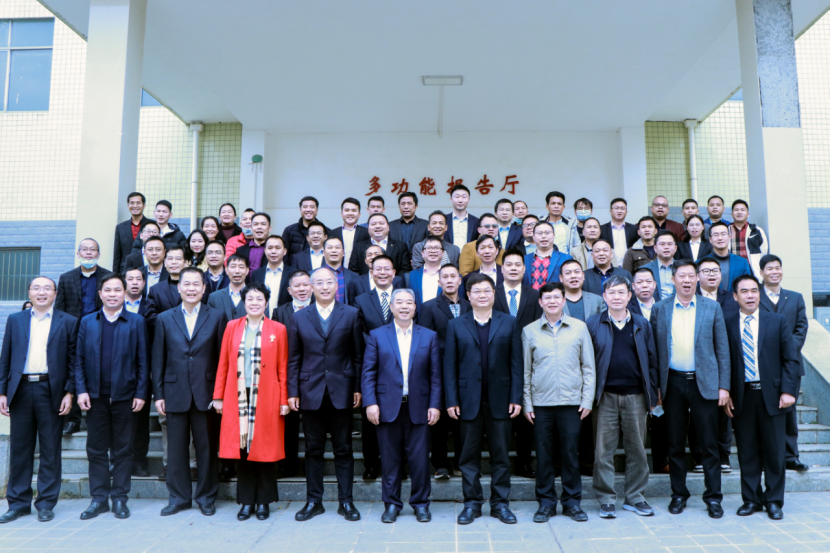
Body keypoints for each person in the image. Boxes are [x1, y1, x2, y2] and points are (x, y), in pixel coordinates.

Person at [650, 260, 731, 519]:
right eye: (681, 276)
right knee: (674, 443)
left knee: (709, 444)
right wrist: (657, 387)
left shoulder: (712, 307)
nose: (686, 280)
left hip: (704, 383)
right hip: (672, 383)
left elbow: (722, 349)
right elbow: (655, 353)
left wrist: (724, 386)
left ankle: (713, 497)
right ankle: (678, 495)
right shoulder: (660, 309)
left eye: (691, 276)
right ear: (672, 279)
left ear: (697, 279)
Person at [444, 274, 522, 526]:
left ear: (494, 294)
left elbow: (516, 364)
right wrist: (451, 399)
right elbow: (450, 366)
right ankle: (472, 504)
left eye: (487, 290)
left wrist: (516, 397)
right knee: (468, 458)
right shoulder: (456, 325)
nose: (482, 295)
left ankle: (500, 504)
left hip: (501, 400)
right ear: (468, 295)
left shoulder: (509, 322)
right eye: (476, 291)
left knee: (501, 456)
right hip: (467, 401)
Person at [288, 267, 365, 522]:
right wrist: (292, 391)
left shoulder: (351, 314)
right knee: (313, 450)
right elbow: (294, 358)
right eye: (318, 283)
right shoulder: (299, 317)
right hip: (310, 392)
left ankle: (346, 502)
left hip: (341, 390)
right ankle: (314, 501)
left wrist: (357, 387)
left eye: (328, 282)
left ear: (336, 285)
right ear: (311, 287)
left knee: (343, 449)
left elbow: (357, 355)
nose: (324, 287)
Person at [0, 277, 77, 524]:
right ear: (29, 293)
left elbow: (74, 361)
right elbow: (5, 356)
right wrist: (2, 392)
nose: (41, 292)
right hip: (20, 389)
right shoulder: (16, 320)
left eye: (47, 288)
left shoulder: (68, 321)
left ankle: (45, 503)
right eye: (36, 288)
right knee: (20, 449)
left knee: (50, 448)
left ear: (55, 293)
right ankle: (18, 503)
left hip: (51, 390)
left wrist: (69, 392)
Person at [362, 289, 442, 523]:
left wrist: (435, 405)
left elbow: (435, 375)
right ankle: (391, 504)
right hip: (386, 406)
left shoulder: (429, 336)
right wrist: (370, 402)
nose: (404, 306)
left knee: (419, 459)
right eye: (399, 302)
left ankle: (421, 503)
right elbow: (368, 373)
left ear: (415, 308)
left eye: (409, 302)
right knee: (389, 459)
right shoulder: (377, 335)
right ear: (392, 307)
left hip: (419, 406)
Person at [152, 267, 226, 517]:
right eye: (187, 284)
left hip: (207, 393)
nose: (192, 288)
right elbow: (158, 360)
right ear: (179, 288)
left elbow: (222, 359)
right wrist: (159, 395)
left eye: (197, 284)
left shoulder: (217, 316)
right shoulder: (164, 318)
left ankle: (206, 497)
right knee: (176, 450)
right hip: (174, 392)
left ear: (204, 288)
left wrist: (220, 394)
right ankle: (179, 498)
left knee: (207, 449)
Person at [725, 275, 800, 520]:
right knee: (747, 451)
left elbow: (791, 359)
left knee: (775, 451)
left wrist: (788, 391)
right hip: (743, 396)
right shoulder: (727, 323)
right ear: (735, 296)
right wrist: (726, 391)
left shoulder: (777, 321)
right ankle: (751, 500)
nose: (750, 295)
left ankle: (774, 501)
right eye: (744, 291)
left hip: (774, 396)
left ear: (759, 294)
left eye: (754, 291)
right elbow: (725, 361)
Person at [75, 274, 149, 521]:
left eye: (118, 290)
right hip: (95, 398)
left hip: (125, 397)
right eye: (108, 290)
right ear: (100, 294)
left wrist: (141, 392)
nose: (113, 294)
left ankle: (119, 498)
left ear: (124, 293)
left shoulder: (136, 321)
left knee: (123, 449)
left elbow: (143, 361)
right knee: (96, 450)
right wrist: (81, 390)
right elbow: (78, 360)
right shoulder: (88, 321)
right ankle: (99, 499)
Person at [214, 283, 289, 521]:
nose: (254, 303)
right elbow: (223, 363)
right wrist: (218, 396)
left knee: (265, 449)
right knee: (242, 449)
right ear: (243, 302)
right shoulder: (232, 327)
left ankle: (264, 502)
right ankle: (246, 502)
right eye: (250, 299)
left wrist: (284, 399)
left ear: (266, 303)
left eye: (259, 299)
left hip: (267, 396)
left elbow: (282, 367)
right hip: (237, 395)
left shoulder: (278, 329)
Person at [522, 281, 596, 523]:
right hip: (541, 404)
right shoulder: (530, 331)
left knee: (570, 454)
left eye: (557, 297)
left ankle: (572, 503)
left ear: (564, 301)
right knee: (544, 456)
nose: (552, 301)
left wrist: (587, 399)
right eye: (547, 298)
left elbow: (588, 367)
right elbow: (526, 370)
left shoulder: (579, 327)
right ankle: (546, 503)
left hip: (572, 403)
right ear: (540, 302)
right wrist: (527, 403)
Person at [587, 276, 658, 520]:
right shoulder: (593, 323)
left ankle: (635, 496)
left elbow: (652, 360)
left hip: (636, 396)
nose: (616, 297)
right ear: (604, 296)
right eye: (611, 292)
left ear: (630, 296)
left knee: (636, 449)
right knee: (603, 452)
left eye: (621, 292)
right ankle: (606, 499)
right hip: (604, 396)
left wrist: (653, 393)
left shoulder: (641, 323)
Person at [759, 254, 810, 473]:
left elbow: (801, 329)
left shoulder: (795, 298)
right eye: (770, 268)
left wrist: (787, 349)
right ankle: (765, 457)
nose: (775, 272)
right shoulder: (754, 295)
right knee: (764, 411)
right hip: (762, 364)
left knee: (789, 411)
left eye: (778, 268)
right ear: (761, 272)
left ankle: (791, 456)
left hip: (790, 364)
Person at [493, 249, 541, 478]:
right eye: (508, 264)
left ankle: (524, 463)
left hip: (528, 361)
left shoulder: (535, 295)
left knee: (525, 417)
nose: (513, 268)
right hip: (497, 361)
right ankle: (499, 463)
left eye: (517, 265)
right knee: (500, 416)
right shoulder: (491, 293)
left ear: (524, 269)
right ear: (502, 269)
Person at [56, 238, 111, 436]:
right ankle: (73, 419)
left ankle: (99, 415)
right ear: (78, 253)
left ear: (98, 254)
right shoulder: (66, 278)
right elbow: (60, 308)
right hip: (73, 332)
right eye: (84, 249)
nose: (88, 253)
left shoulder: (108, 276)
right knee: (72, 370)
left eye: (92, 250)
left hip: (100, 330)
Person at [419, 264, 469, 480]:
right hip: (438, 370)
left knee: (463, 420)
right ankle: (440, 465)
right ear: (439, 282)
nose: (449, 280)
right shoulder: (429, 307)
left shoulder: (470, 306)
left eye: (453, 276)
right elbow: (424, 340)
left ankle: (460, 463)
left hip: (465, 371)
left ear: (460, 280)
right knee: (438, 422)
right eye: (445, 277)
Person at [354, 255, 399, 480]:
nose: (382, 273)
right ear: (371, 273)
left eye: (387, 269)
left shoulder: (405, 296)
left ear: (394, 273)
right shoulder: (361, 300)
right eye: (377, 269)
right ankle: (371, 465)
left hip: (399, 366)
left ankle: (398, 465)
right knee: (370, 420)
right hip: (370, 365)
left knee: (398, 418)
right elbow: (358, 333)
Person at [272, 271, 313, 478]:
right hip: (289, 372)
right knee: (288, 421)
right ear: (289, 290)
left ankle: (311, 464)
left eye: (306, 285)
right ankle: (288, 464)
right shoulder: (280, 312)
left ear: (312, 287)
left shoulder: (320, 309)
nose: (302, 289)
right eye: (297, 285)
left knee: (313, 422)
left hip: (314, 373)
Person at [124, 268, 152, 477]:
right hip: (117, 369)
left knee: (141, 420)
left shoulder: (151, 306)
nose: (134, 282)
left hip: (143, 368)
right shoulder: (113, 305)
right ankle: (119, 460)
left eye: (138, 279)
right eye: (130, 279)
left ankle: (140, 461)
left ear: (144, 283)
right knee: (118, 420)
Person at [145, 246, 190, 336]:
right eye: (170, 258)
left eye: (178, 258)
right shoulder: (155, 289)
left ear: (186, 263)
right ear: (165, 263)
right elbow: (150, 318)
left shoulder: (196, 288)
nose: (173, 262)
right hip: (164, 338)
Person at [250, 235, 296, 314]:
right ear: (265, 251)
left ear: (284, 251)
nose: (273, 251)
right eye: (270, 248)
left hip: (284, 317)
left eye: (277, 248)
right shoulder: (256, 274)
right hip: (261, 317)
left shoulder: (293, 273)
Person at [523, 222, 573, 290]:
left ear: (554, 235)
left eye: (547, 233)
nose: (544, 236)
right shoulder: (524, 260)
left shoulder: (566, 259)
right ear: (534, 237)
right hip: (530, 296)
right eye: (540, 233)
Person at [708, 222, 754, 291]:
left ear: (729, 237)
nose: (720, 238)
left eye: (723, 234)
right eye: (716, 235)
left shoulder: (742, 262)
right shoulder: (700, 263)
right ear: (710, 239)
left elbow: (747, 287)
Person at [730, 200, 770, 277]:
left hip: (752, 270)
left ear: (748, 214)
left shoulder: (756, 231)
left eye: (742, 210)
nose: (739, 212)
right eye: (736, 210)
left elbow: (764, 252)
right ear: (732, 214)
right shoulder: (726, 230)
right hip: (732, 269)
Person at [113, 192, 151, 272]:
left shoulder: (152, 225)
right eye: (132, 203)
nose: (135, 206)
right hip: (125, 270)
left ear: (144, 205)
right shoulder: (120, 227)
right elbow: (117, 255)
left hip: (147, 268)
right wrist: (115, 275)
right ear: (128, 205)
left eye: (138, 203)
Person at [207, 254, 249, 323]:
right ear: (226, 270)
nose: (237, 271)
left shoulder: (256, 297)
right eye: (233, 267)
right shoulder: (214, 297)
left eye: (241, 267)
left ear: (247, 271)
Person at [329, 198, 370, 265]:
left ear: (359, 214)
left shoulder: (366, 232)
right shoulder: (332, 233)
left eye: (354, 210)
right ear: (341, 213)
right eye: (347, 210)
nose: (350, 213)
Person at [406, 237, 444, 309]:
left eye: (437, 248)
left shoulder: (452, 277)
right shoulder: (409, 276)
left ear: (443, 253)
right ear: (422, 253)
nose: (433, 251)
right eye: (429, 248)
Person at [642, 231, 679, 302]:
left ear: (675, 248)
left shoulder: (683, 268)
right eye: (662, 244)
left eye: (669, 244)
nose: (666, 247)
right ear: (655, 248)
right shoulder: (645, 270)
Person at [322, 237, 360, 304]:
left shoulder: (354, 276)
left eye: (337, 247)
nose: (334, 250)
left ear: (343, 252)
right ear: (324, 252)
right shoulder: (312, 275)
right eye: (330, 247)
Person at [446, 184, 479, 248]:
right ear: (451, 199)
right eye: (457, 197)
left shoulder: (476, 221)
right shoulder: (444, 220)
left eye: (464, 197)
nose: (460, 200)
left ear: (469, 200)